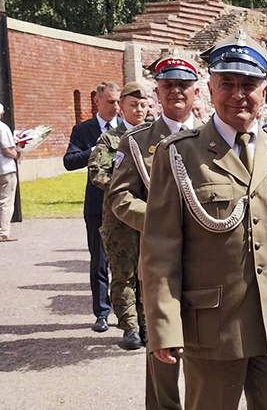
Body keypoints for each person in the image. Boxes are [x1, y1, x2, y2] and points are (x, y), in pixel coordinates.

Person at [140, 30, 267, 410]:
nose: (239, 93)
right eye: (228, 83)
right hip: (214, 328)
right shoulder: (178, 155)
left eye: (249, 84)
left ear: (265, 89)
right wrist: (164, 327)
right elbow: (160, 251)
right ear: (211, 87)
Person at [108, 53, 202, 410]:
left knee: (206, 348)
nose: (176, 92)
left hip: (208, 258)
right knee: (162, 347)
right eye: (168, 86)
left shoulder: (213, 134)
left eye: (183, 85)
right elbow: (120, 197)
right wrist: (163, 221)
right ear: (157, 95)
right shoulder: (136, 141)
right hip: (160, 261)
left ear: (196, 92)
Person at [88, 82, 149, 350]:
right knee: (124, 275)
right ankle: (130, 328)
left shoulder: (155, 138)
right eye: (133, 105)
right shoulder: (110, 139)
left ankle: (148, 325)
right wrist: (126, 186)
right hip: (120, 218)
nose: (139, 109)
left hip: (151, 217)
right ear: (121, 107)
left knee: (150, 275)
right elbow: (97, 172)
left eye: (143, 105)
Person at [63, 82, 120, 332]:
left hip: (127, 202)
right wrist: (95, 150)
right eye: (110, 102)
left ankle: (130, 310)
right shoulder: (83, 130)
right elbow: (69, 161)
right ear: (97, 101)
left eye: (118, 102)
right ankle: (101, 312)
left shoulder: (130, 129)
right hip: (97, 204)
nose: (116, 107)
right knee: (99, 259)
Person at [0, 103, 19, 243]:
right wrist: (17, 154)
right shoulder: (2, 127)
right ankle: (3, 232)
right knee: (6, 201)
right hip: (5, 168)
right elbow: (7, 149)